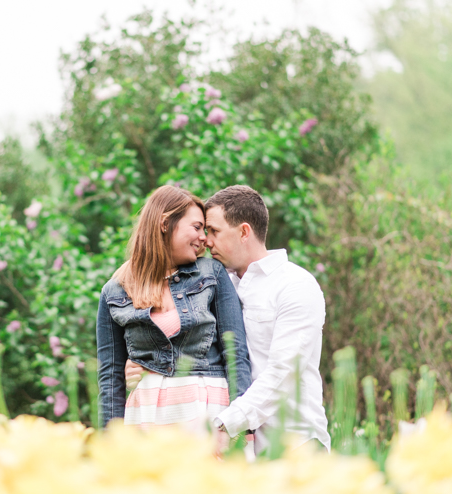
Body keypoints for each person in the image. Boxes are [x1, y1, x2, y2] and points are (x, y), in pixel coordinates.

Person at [126, 185, 330, 452]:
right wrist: (145, 366)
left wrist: (224, 425)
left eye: (214, 231)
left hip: (295, 444)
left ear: (244, 232)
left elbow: (284, 372)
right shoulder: (216, 285)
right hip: (241, 451)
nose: (206, 241)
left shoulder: (295, 285)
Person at [97, 185, 252, 430]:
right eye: (197, 227)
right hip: (147, 416)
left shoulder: (213, 274)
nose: (204, 238)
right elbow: (110, 380)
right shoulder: (114, 291)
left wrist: (239, 428)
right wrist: (108, 444)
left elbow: (235, 357)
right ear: (165, 224)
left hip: (208, 413)